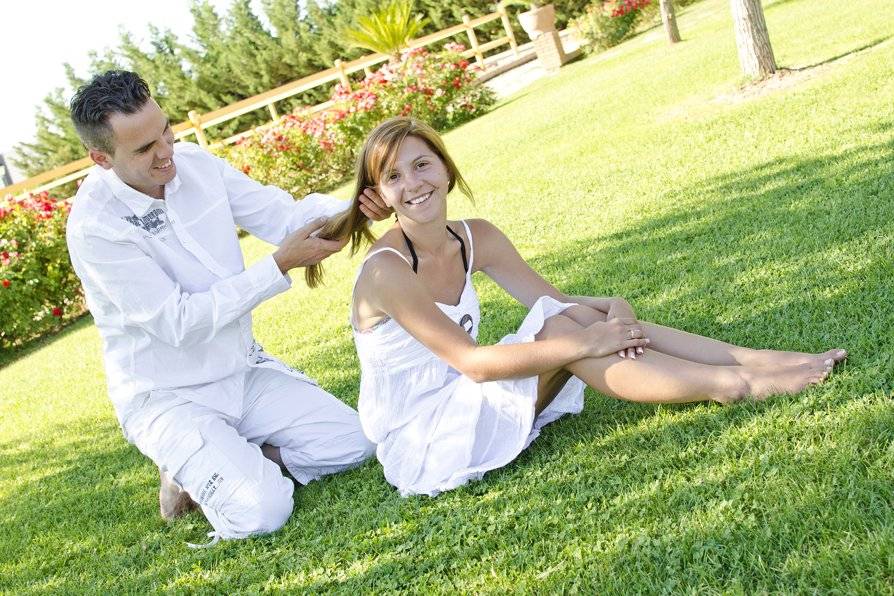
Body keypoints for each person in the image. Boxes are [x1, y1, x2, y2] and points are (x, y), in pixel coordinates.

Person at [313, 117, 847, 497]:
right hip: (426, 440)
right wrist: (590, 339)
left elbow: (555, 302)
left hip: (463, 401)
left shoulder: (475, 236)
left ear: (446, 170)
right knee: (562, 338)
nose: (414, 185)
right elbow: (472, 363)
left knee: (567, 320)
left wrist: (606, 306)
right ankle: (736, 387)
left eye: (422, 165)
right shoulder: (387, 271)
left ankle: (748, 359)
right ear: (380, 195)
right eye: (395, 177)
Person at [65, 70, 391, 545]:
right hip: (168, 396)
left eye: (165, 131)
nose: (165, 152)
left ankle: (220, 458)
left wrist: (358, 205)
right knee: (262, 511)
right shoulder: (94, 228)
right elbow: (178, 323)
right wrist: (279, 265)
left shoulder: (195, 163)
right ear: (101, 158)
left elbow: (283, 216)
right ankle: (187, 465)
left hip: (241, 370)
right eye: (143, 149)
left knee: (358, 443)